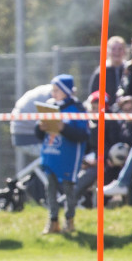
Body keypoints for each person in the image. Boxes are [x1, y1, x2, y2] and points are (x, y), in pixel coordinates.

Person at [35, 74, 88, 234]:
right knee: (50, 188)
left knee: (68, 189)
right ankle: (53, 221)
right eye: (53, 90)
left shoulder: (77, 109)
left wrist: (63, 128)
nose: (53, 93)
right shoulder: (49, 106)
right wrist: (40, 128)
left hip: (68, 157)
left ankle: (69, 221)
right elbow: (39, 135)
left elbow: (83, 135)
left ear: (66, 90)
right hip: (51, 155)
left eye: (57, 90)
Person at [89, 35, 127, 107]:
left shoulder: (129, 69)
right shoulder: (101, 72)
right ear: (107, 51)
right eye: (113, 49)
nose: (117, 52)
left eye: (120, 49)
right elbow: (93, 94)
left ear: (124, 51)